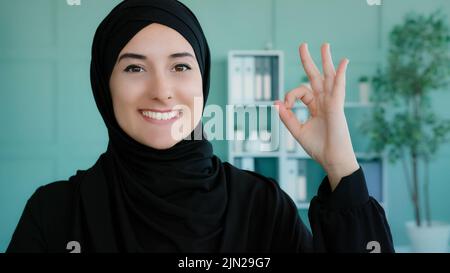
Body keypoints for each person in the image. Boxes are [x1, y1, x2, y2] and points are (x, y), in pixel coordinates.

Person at [7, 0, 394, 253]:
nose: (162, 91)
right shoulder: (56, 213)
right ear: (104, 86)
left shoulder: (261, 206)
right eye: (134, 68)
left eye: (180, 66)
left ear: (202, 81)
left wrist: (341, 163)